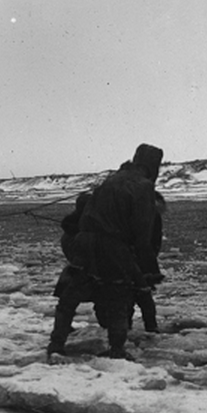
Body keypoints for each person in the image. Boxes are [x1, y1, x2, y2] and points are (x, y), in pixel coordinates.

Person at [46, 143, 163, 362]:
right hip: (113, 246)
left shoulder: (110, 180)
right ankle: (116, 350)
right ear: (153, 166)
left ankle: (56, 344)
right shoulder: (143, 186)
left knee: (70, 295)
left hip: (83, 242)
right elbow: (142, 231)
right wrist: (147, 268)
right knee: (118, 293)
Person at [130, 191, 165, 333]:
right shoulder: (153, 216)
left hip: (131, 260)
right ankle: (151, 326)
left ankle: (127, 327)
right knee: (144, 295)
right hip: (145, 261)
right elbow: (155, 241)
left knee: (130, 295)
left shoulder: (128, 214)